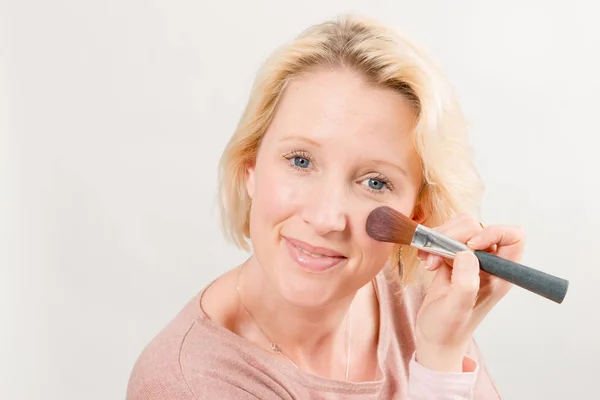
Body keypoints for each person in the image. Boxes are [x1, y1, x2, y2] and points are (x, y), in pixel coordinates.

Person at [127, 14, 525, 399]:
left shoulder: (420, 300)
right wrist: (438, 371)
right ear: (251, 166)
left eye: (375, 182)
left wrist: (441, 349)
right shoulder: (187, 383)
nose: (325, 218)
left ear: (416, 213)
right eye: (301, 161)